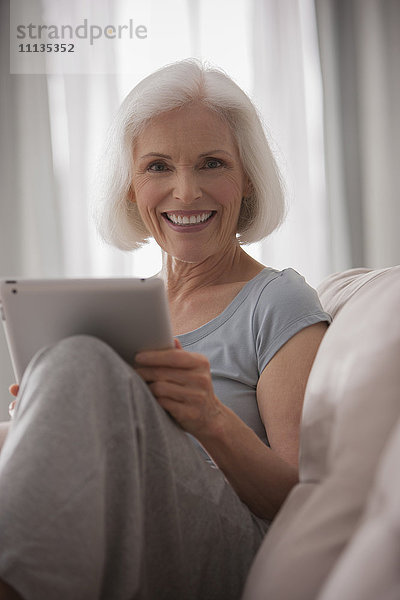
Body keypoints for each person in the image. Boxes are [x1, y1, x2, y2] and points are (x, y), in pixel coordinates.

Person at [0, 59, 331, 600]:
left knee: (78, 360)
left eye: (211, 164)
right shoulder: (127, 309)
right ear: (131, 187)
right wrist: (56, 410)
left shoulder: (277, 300)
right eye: (158, 167)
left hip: (229, 548)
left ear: (246, 180)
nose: (185, 191)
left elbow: (306, 503)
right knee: (69, 366)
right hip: (119, 521)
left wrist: (211, 419)